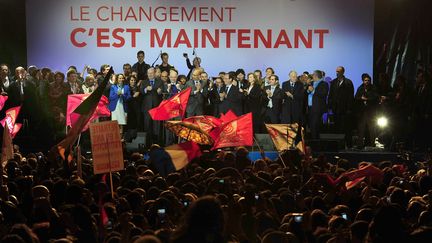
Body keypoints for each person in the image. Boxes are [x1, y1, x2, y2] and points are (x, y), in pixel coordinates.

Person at [328, 66, 354, 148]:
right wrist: (330, 106)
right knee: (337, 127)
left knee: (346, 128)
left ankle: (348, 145)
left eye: (338, 71)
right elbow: (331, 95)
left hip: (345, 109)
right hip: (336, 109)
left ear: (343, 72)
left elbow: (350, 96)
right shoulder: (334, 82)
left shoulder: (348, 82)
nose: (337, 73)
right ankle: (338, 145)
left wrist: (349, 108)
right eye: (336, 71)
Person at [140, 68, 164, 146]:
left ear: (154, 73)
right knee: (147, 126)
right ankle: (148, 145)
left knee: (156, 127)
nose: (150, 75)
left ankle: (156, 144)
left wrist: (160, 92)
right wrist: (146, 89)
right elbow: (141, 91)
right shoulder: (144, 82)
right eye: (148, 73)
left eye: (151, 73)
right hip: (147, 108)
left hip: (156, 108)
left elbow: (161, 92)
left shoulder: (160, 81)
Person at [355, 73, 378, 147]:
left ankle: (372, 144)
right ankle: (360, 144)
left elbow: (376, 98)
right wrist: (361, 99)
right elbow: (356, 98)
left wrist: (367, 99)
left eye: (368, 80)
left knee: (372, 129)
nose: (367, 81)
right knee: (361, 129)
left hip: (371, 112)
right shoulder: (360, 88)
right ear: (363, 81)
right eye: (365, 80)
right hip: (362, 112)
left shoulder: (373, 88)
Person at [307, 70, 329, 139]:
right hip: (310, 108)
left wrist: (313, 90)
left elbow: (323, 94)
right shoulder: (312, 83)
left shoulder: (324, 84)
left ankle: (315, 141)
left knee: (315, 125)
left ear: (316, 76)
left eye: (313, 75)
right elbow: (308, 92)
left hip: (317, 108)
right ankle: (314, 140)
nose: (312, 76)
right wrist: (308, 89)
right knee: (311, 125)